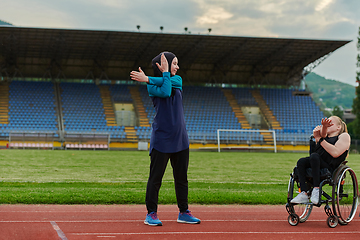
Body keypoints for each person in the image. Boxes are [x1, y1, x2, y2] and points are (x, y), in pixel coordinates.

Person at [130, 52, 201, 226]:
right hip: (161, 139)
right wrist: (157, 77)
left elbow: (169, 83)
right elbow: (166, 90)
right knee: (155, 179)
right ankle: (151, 214)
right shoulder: (151, 87)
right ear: (164, 64)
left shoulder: (178, 80)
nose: (178, 67)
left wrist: (148, 78)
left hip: (181, 139)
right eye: (174, 63)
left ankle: (184, 212)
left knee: (181, 178)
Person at [291, 116, 350, 205]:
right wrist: (318, 138)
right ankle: (304, 193)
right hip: (318, 163)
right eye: (325, 124)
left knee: (315, 156)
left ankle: (316, 189)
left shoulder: (344, 136)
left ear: (339, 127)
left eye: (330, 123)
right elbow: (313, 155)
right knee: (301, 161)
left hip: (331, 166)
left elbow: (335, 152)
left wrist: (320, 140)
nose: (327, 125)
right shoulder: (324, 138)